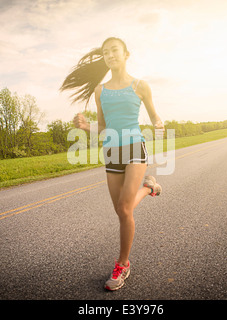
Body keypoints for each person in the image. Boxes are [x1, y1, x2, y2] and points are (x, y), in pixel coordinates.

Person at [60, 37, 164, 291]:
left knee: (124, 209)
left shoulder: (140, 85)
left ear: (126, 54)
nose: (110, 55)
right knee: (120, 211)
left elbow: (153, 115)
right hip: (111, 151)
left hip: (134, 148)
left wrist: (159, 124)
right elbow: (104, 127)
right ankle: (150, 188)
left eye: (114, 50)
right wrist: (86, 126)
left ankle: (123, 265)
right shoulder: (100, 91)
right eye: (105, 53)